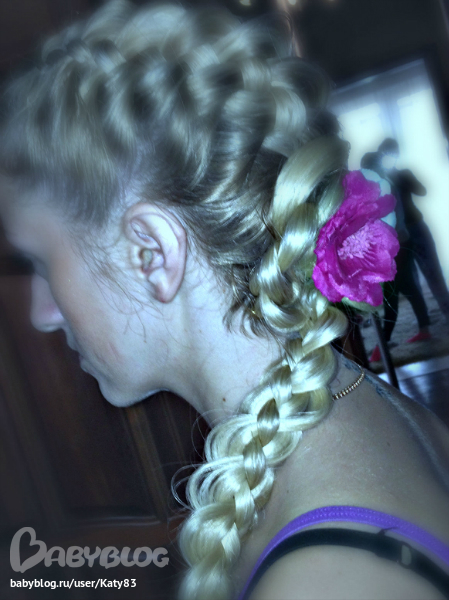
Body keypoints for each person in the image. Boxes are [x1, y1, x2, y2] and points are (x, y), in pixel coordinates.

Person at [0, 3, 448, 600]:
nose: (40, 314)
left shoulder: (322, 582)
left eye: (40, 263)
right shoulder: (370, 403)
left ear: (151, 253)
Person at [360, 149, 432, 362]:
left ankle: (382, 344)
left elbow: (391, 219)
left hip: (397, 245)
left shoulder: (383, 186)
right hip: (399, 243)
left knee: (393, 293)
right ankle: (424, 328)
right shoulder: (383, 184)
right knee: (408, 287)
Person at [378, 138, 449, 330]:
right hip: (399, 235)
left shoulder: (403, 174)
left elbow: (423, 191)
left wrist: (404, 180)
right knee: (412, 279)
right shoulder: (381, 179)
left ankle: (446, 312)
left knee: (432, 272)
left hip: (414, 227)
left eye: (392, 153)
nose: (390, 157)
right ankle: (424, 320)